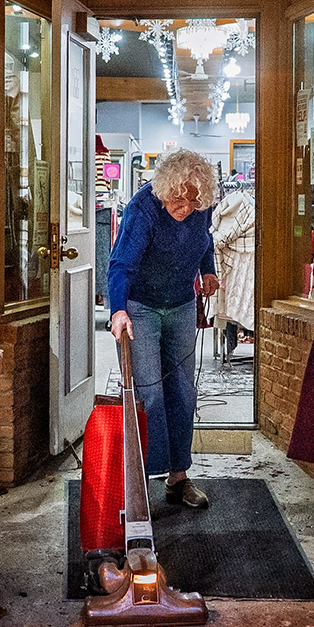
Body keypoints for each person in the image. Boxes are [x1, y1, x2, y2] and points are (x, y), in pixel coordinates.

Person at [107, 148, 221, 508]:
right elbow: (121, 263)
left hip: (182, 306)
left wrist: (208, 270)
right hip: (141, 307)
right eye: (178, 198)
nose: (185, 206)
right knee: (150, 394)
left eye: (192, 199)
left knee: (183, 392)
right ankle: (140, 481)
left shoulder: (200, 207)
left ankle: (178, 477)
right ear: (164, 188)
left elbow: (204, 242)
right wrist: (118, 310)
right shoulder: (143, 209)